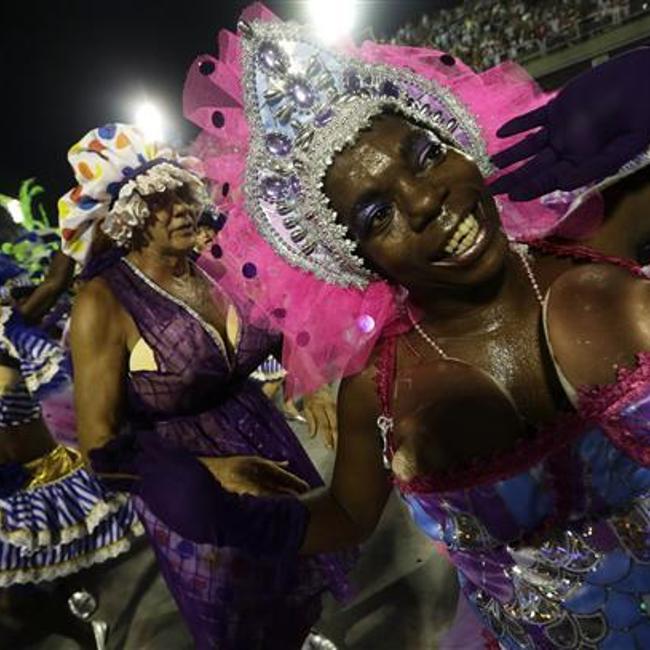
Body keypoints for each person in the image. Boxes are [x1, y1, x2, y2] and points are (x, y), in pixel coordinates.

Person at [99, 7, 650, 648]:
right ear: (352, 258)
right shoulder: (379, 386)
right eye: (376, 213)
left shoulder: (600, 235)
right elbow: (348, 514)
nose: (424, 201)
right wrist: (235, 521)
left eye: (424, 155)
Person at [63, 123, 351, 649]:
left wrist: (309, 383)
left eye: (179, 191)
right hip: (190, 486)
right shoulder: (103, 302)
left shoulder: (212, 266)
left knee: (294, 587)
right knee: (240, 620)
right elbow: (99, 447)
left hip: (269, 445)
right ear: (126, 216)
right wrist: (210, 474)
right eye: (156, 200)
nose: (177, 207)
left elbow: (275, 329)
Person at [0, 231, 144, 648]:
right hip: (9, 490)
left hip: (45, 477)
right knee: (16, 598)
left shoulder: (12, 329)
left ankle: (82, 626)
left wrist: (82, 215)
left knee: (55, 575)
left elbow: (54, 282)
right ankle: (78, 625)